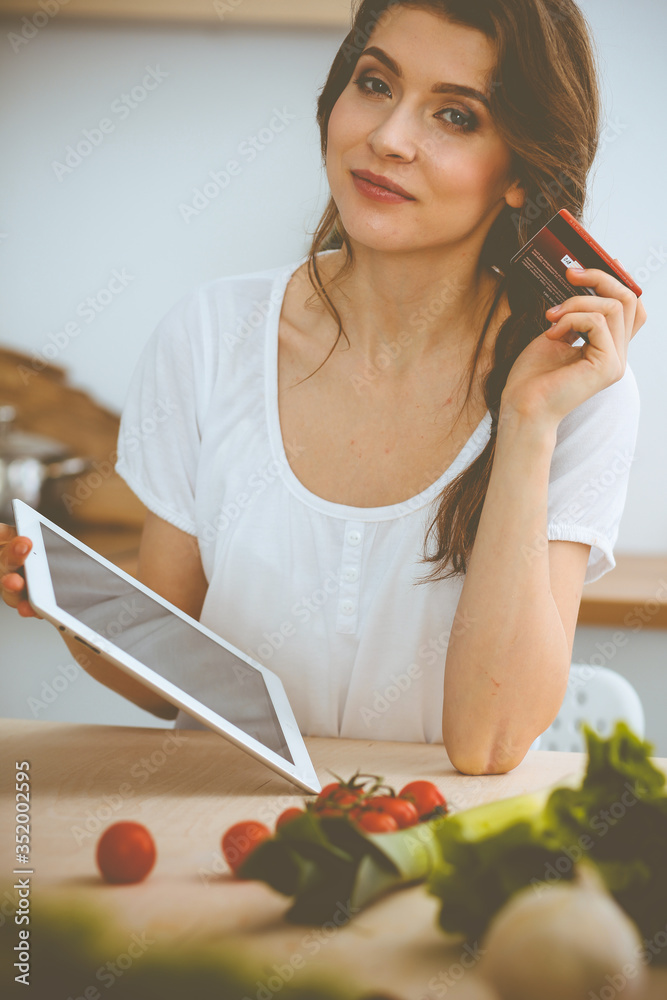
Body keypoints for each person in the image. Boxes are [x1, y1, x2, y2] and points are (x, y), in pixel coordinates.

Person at [1, 0, 646, 774]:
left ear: (519, 174)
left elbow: (490, 743)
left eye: (453, 115)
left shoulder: (575, 389)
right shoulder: (208, 337)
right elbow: (173, 681)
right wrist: (73, 608)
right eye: (374, 84)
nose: (388, 138)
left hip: (430, 859)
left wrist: (527, 423)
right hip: (218, 842)